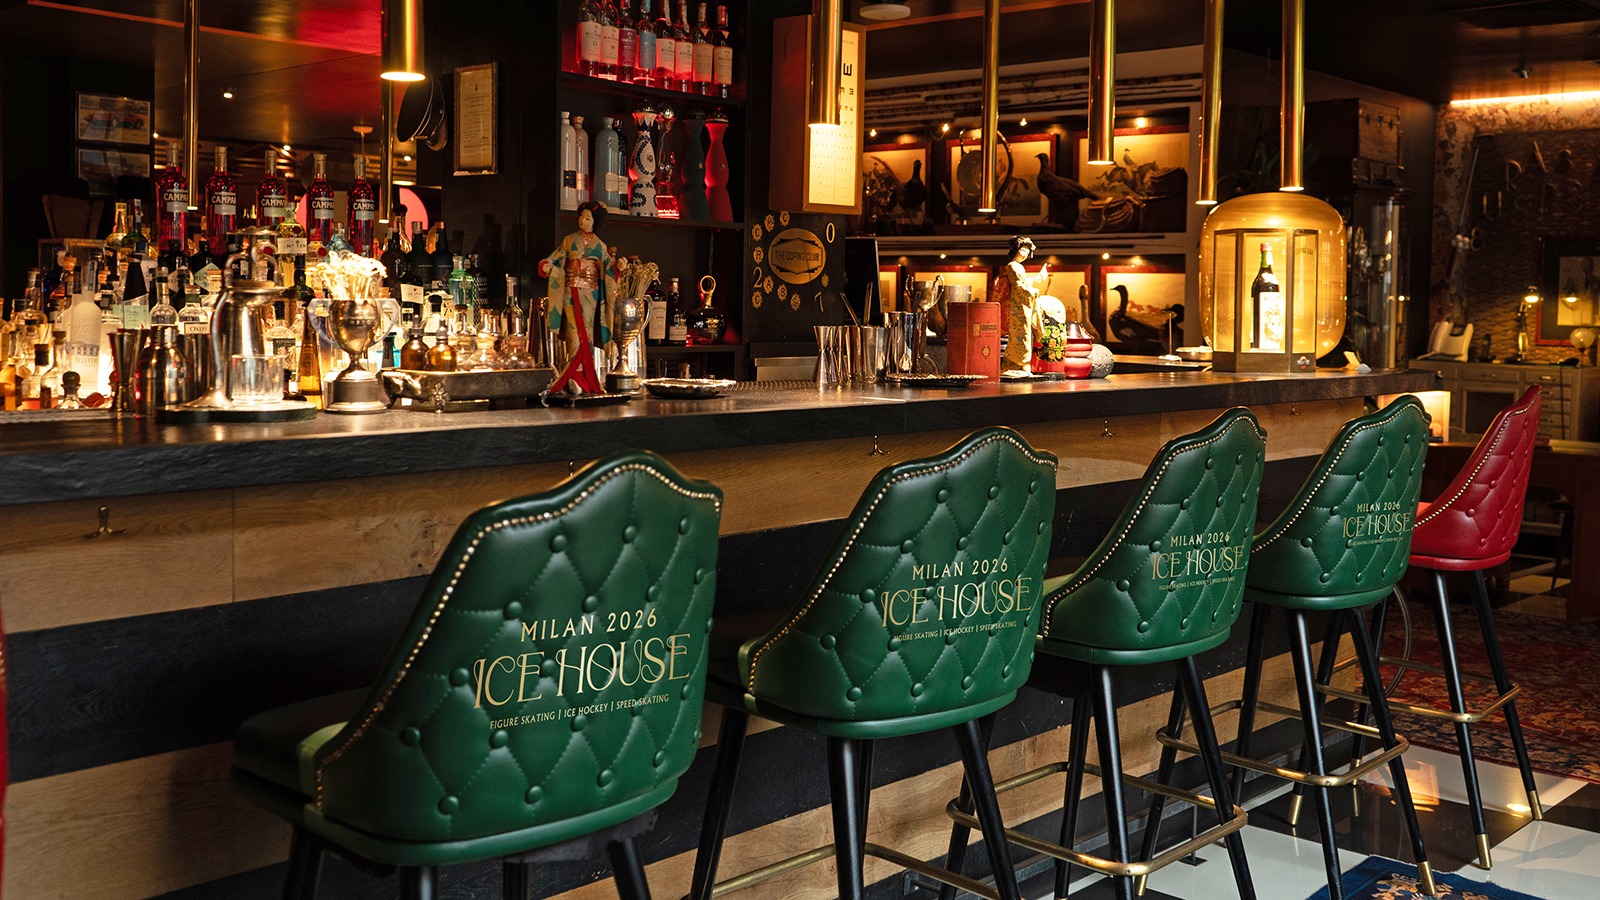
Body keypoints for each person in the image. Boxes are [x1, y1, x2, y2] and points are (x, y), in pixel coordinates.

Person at [540, 201, 617, 394]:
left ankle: (581, 378)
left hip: (591, 294)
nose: (583, 221)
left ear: (595, 222)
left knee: (587, 333)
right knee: (574, 333)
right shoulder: (569, 240)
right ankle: (577, 377)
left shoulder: (600, 245)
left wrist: (619, 267)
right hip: (570, 291)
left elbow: (609, 267)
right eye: (581, 216)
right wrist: (546, 266)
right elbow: (554, 257)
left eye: (588, 218)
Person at [999, 236, 1047, 374]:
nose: (1025, 254)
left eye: (1027, 251)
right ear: (1016, 249)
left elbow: (1023, 283)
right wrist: (1034, 291)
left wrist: (1035, 280)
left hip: (1023, 304)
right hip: (1018, 305)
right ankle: (1019, 363)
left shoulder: (1018, 266)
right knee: (1021, 335)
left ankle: (1015, 364)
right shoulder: (1012, 266)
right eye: (1023, 250)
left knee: (1024, 334)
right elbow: (1018, 286)